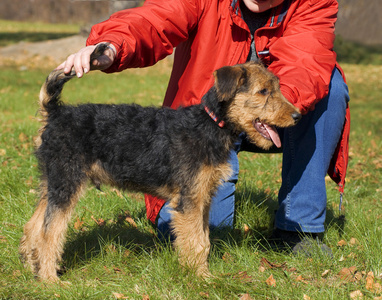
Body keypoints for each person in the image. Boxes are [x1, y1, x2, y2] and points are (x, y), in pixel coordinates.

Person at [58, 0, 350, 255]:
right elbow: (155, 18)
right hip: (201, 126)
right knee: (204, 226)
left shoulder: (313, 3)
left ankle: (299, 228)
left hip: (276, 117)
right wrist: (113, 44)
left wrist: (270, 107)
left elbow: (306, 63)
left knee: (331, 88)